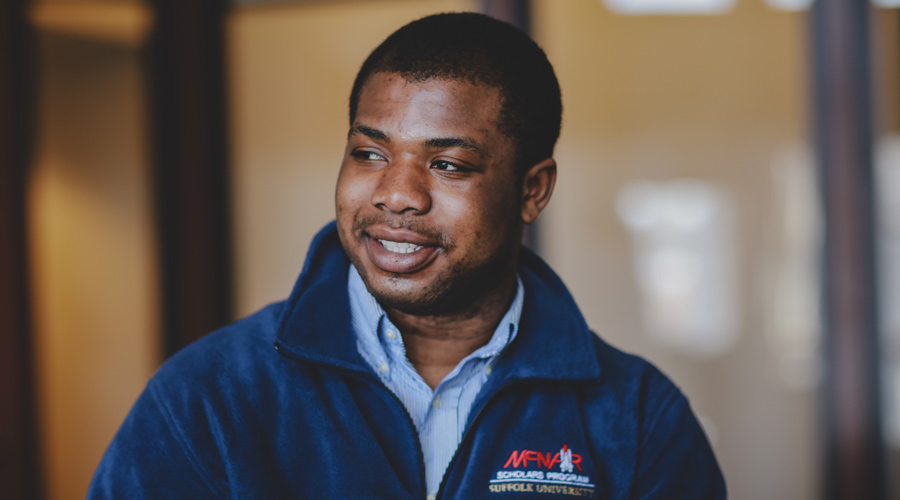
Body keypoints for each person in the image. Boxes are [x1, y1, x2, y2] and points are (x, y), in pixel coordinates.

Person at [89, 12, 725, 499]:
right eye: (368, 154)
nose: (395, 194)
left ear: (532, 190)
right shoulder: (209, 397)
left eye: (447, 165)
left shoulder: (637, 420)